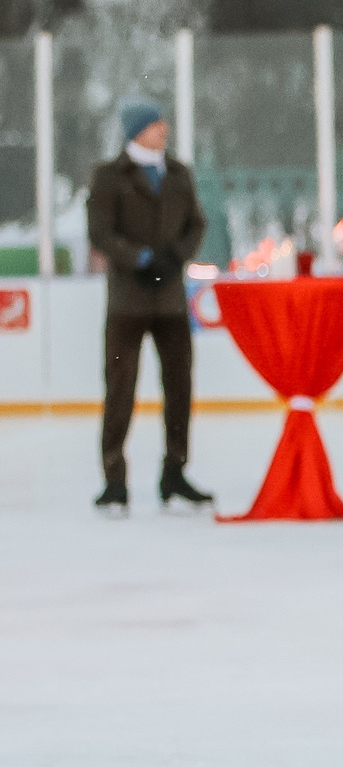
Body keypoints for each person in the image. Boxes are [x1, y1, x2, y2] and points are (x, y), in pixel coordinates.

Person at [88, 99, 212, 514]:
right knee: (120, 386)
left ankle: (174, 471)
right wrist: (139, 259)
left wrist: (175, 257)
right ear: (136, 130)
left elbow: (197, 222)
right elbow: (101, 232)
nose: (165, 128)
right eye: (156, 123)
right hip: (128, 300)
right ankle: (114, 478)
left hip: (172, 300)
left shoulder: (178, 174)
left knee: (180, 385)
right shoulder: (109, 176)